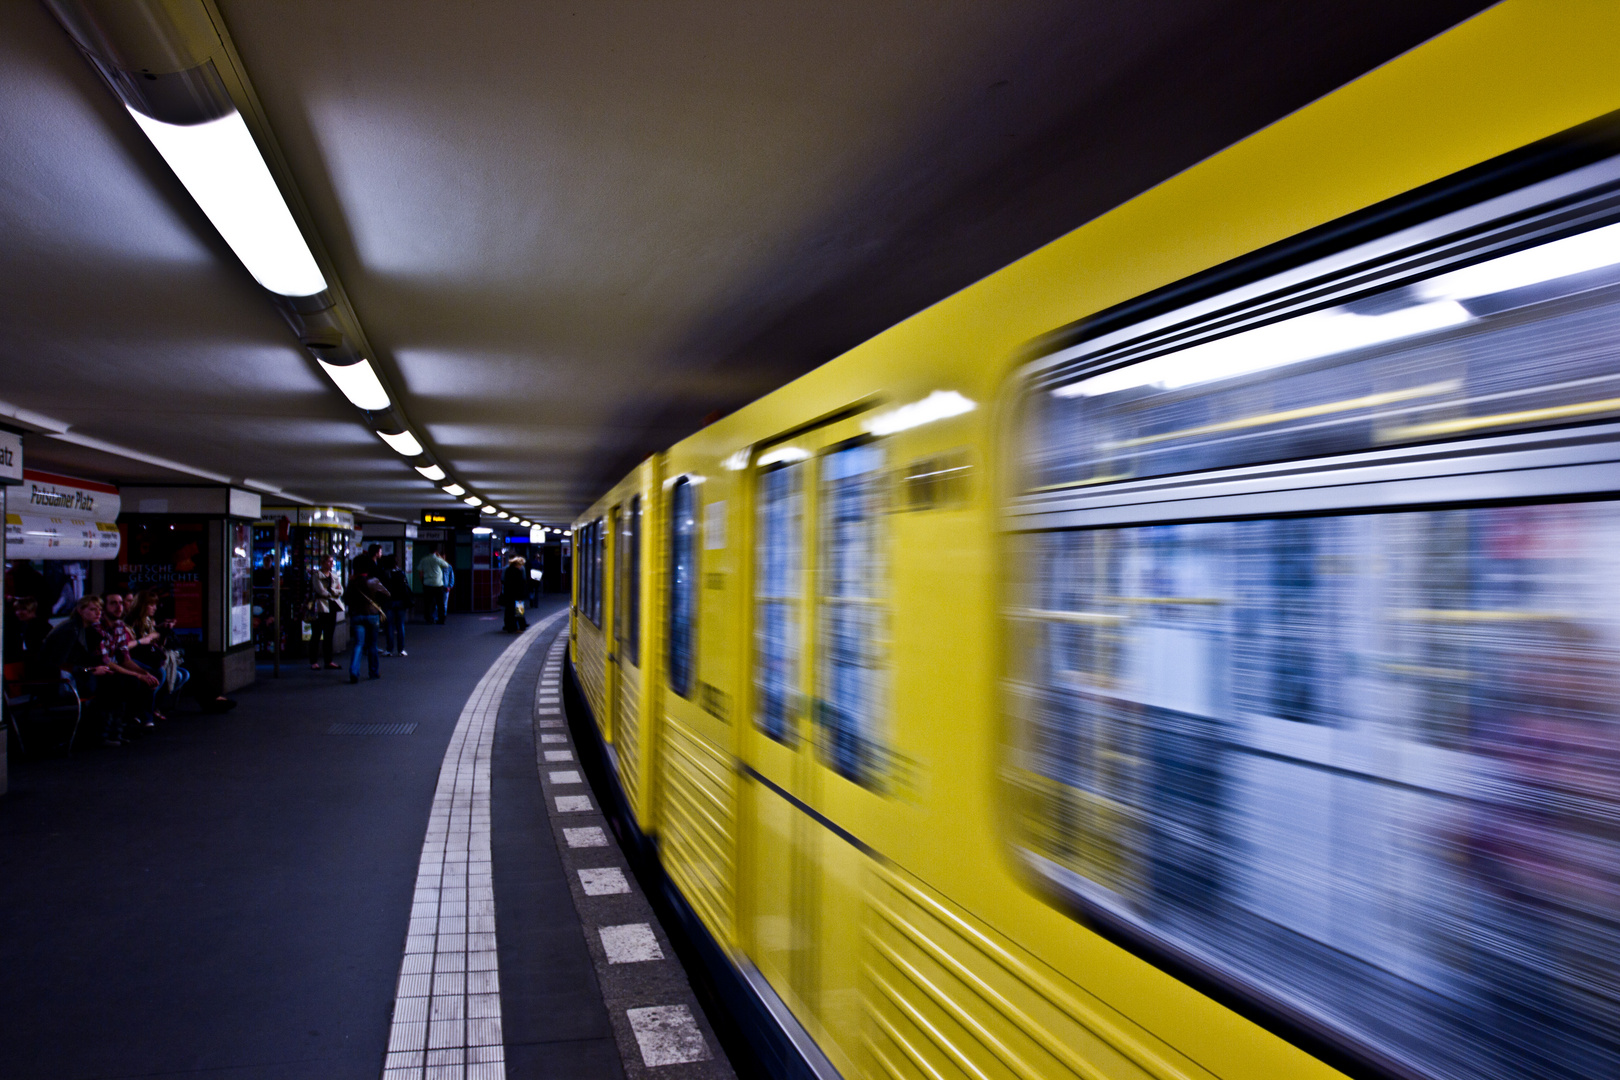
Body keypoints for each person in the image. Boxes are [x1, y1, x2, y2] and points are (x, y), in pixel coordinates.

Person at [40, 595, 115, 744]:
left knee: (114, 681)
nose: (98, 613)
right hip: (57, 680)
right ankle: (98, 735)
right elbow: (58, 663)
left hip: (72, 676)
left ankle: (107, 732)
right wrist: (90, 670)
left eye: (99, 609)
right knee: (109, 686)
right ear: (80, 611)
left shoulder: (82, 628)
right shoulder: (70, 630)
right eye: (93, 609)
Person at [99, 592, 161, 733]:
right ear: (104, 607)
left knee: (151, 675)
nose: (118, 607)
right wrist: (138, 675)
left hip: (117, 666)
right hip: (97, 669)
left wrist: (145, 674)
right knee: (130, 681)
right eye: (113, 603)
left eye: (120, 603)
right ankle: (116, 727)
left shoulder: (120, 625)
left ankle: (140, 719)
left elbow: (124, 658)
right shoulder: (98, 628)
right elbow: (106, 662)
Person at [127, 590, 189, 721]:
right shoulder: (132, 622)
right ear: (143, 605)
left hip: (151, 657)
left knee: (183, 673)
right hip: (138, 658)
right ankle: (144, 711)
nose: (155, 608)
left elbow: (158, 645)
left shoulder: (150, 621)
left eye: (155, 605)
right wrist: (149, 637)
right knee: (160, 673)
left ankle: (153, 706)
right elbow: (133, 645)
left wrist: (164, 630)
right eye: (151, 605)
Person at [344, 565, 389, 684]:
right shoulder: (374, 581)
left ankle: (354, 671)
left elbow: (346, 599)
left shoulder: (352, 583)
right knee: (372, 644)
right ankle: (373, 671)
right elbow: (386, 594)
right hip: (372, 615)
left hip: (357, 615)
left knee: (358, 644)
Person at [307, 556, 343, 670]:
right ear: (323, 563)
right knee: (316, 634)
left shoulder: (334, 575)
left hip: (332, 607)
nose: (332, 564)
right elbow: (321, 591)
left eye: (332, 562)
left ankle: (328, 660)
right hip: (320, 607)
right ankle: (314, 661)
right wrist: (333, 592)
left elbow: (340, 590)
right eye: (329, 561)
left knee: (329, 635)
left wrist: (333, 592)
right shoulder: (317, 575)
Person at [4, 596, 51, 677]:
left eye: (23, 609)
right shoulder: (24, 626)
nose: (18, 613)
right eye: (16, 610)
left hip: (41, 670)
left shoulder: (39, 626)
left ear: (32, 610)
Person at [380, 554, 414, 657]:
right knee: (400, 626)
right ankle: (401, 649)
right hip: (401, 602)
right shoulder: (401, 573)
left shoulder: (384, 574)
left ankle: (389, 649)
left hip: (388, 602)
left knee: (389, 626)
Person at [419, 545, 451, 624]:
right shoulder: (438, 560)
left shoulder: (424, 560)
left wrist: (422, 581)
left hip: (427, 583)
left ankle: (428, 619)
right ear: (436, 551)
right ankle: (441, 619)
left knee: (428, 603)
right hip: (438, 584)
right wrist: (439, 556)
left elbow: (420, 572)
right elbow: (446, 565)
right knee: (440, 603)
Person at [501, 555, 529, 633]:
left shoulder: (507, 570)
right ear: (517, 564)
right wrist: (522, 595)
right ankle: (521, 627)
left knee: (509, 612)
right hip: (517, 595)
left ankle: (511, 627)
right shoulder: (517, 572)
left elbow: (504, 582)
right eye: (521, 565)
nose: (521, 566)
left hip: (509, 595)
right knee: (519, 611)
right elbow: (520, 585)